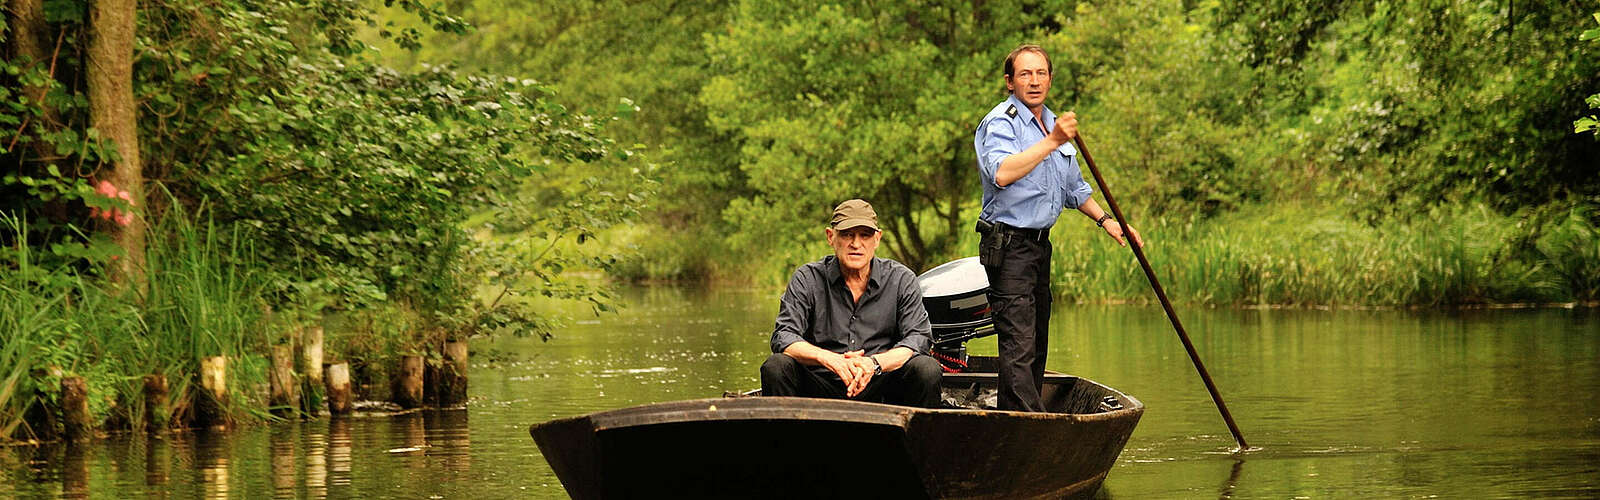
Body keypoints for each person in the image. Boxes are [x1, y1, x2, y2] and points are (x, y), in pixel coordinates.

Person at [972, 44, 1144, 412]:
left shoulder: (1052, 124)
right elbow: (1002, 173)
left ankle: (1017, 424)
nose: (1034, 81)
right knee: (1018, 344)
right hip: (1008, 245)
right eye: (1024, 74)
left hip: (1038, 247)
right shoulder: (1001, 123)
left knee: (1035, 343)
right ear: (1009, 82)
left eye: (1040, 74)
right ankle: (1028, 431)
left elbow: (1074, 189)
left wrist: (1108, 221)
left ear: (1049, 78)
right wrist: (1052, 142)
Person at [760, 199, 943, 408]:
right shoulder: (807, 278)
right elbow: (783, 336)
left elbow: (918, 338)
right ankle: (787, 439)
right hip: (820, 384)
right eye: (847, 234)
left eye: (864, 235)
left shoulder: (901, 279)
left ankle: (915, 440)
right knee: (776, 366)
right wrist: (830, 359)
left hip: (881, 384)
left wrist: (872, 364)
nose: (856, 244)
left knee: (927, 368)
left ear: (877, 239)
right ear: (831, 237)